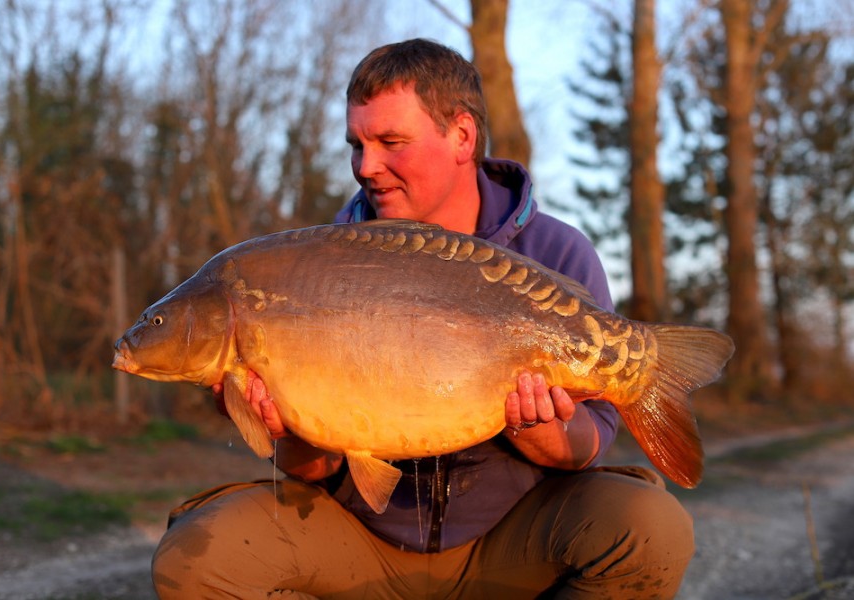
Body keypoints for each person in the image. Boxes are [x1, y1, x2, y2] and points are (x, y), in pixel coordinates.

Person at [152, 38, 694, 599]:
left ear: (462, 136)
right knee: (197, 562)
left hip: (509, 543)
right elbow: (312, 469)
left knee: (650, 528)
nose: (367, 166)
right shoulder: (316, 266)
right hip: (362, 540)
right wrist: (287, 429)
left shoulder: (556, 252)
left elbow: (590, 446)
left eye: (391, 142)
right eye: (356, 144)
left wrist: (541, 429)